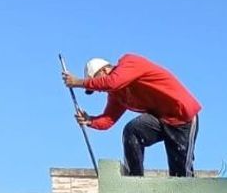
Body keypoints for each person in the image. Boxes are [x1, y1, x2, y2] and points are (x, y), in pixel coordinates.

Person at [62, 54, 201, 177]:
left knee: (181, 176)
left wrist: (78, 82)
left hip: (182, 116)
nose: (98, 91)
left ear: (104, 70)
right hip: (159, 120)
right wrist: (90, 120)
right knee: (132, 131)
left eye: (95, 83)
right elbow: (108, 120)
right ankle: (135, 181)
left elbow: (112, 82)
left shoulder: (129, 62)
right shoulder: (117, 95)